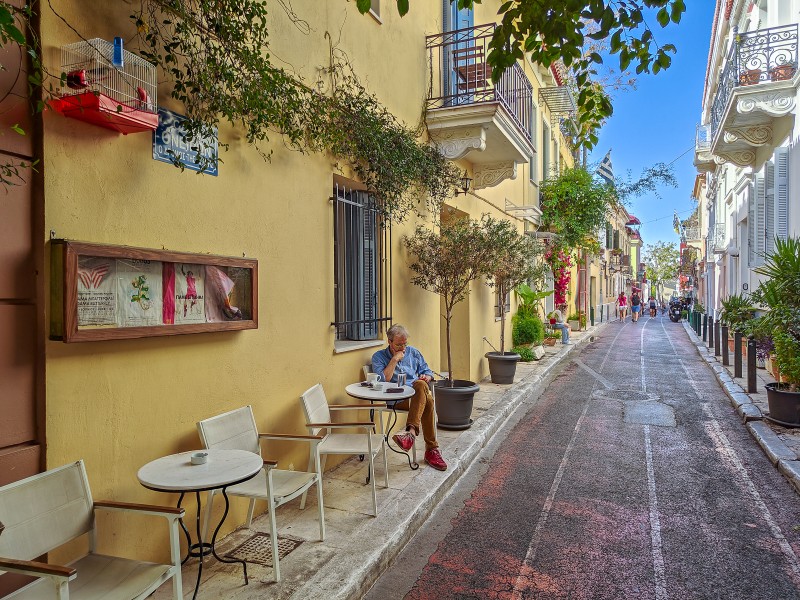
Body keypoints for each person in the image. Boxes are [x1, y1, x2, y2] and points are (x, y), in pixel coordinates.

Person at [372, 324, 447, 471]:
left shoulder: (414, 353)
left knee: (420, 385)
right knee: (428, 401)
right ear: (389, 341)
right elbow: (383, 380)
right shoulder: (378, 357)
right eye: (399, 344)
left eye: (405, 343)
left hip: (417, 398)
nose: (403, 348)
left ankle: (410, 433)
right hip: (397, 401)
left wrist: (427, 376)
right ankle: (432, 450)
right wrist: (394, 359)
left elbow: (427, 371)